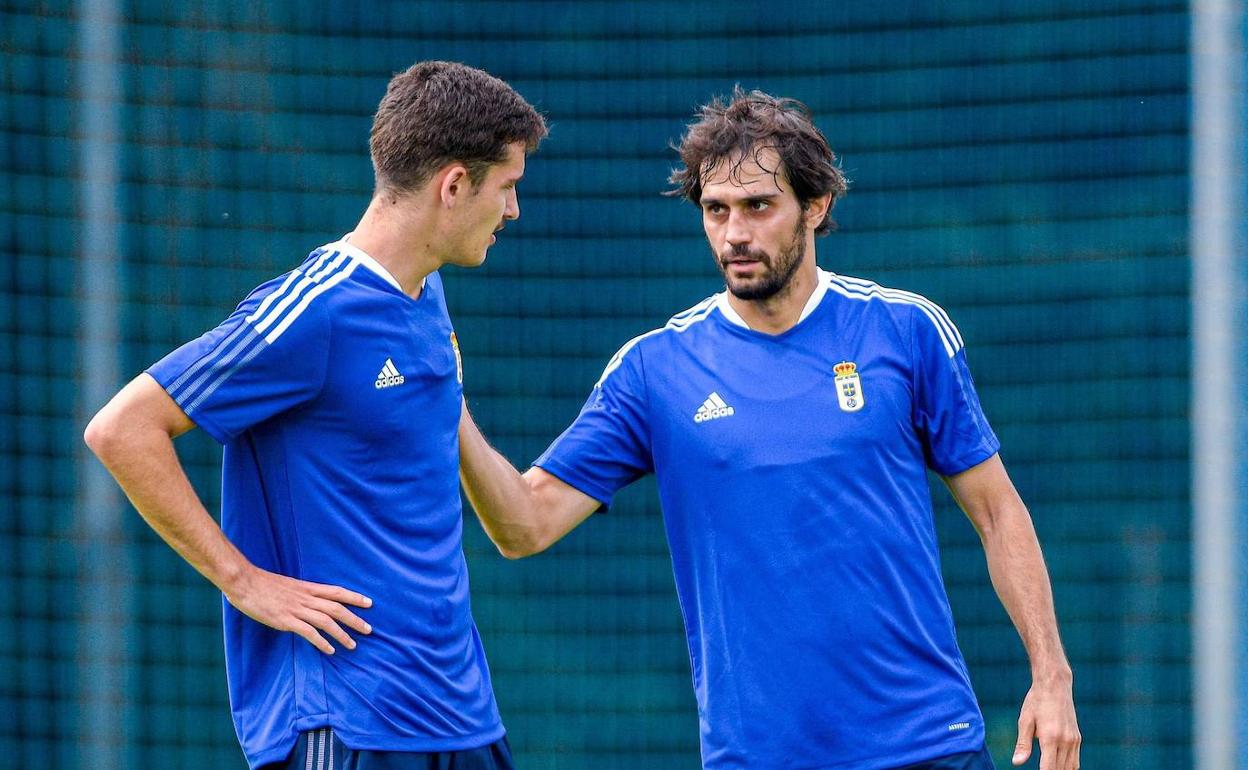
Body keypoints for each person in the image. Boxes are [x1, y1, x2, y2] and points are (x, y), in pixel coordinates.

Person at [458, 88, 1081, 770]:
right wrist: (448, 410)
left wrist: (1051, 677)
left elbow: (997, 513)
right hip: (758, 757)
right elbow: (523, 526)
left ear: (815, 207)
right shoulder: (655, 370)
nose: (735, 234)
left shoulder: (905, 331)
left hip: (926, 746)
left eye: (759, 206)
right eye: (716, 210)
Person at [84, 61, 546, 770]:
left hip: (463, 718)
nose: (512, 210)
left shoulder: (427, 296)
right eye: (507, 187)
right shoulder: (312, 311)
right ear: (455, 185)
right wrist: (245, 581)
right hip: (347, 720)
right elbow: (121, 428)